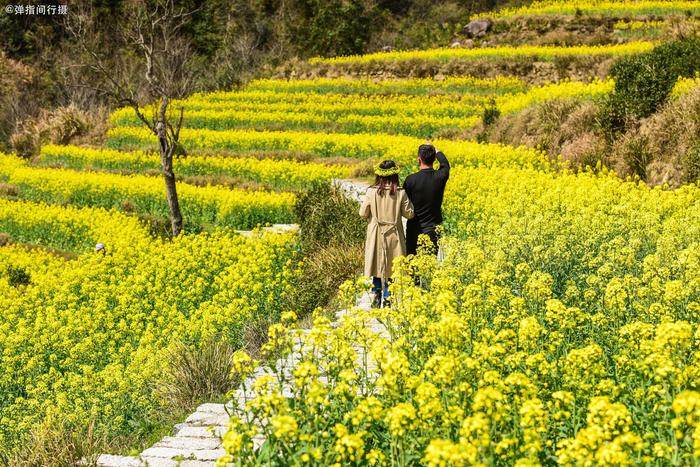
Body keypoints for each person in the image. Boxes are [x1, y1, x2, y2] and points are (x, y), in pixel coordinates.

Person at [360, 160, 415, 308]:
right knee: (392, 265)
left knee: (377, 263)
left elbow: (362, 213)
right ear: (395, 175)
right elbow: (409, 214)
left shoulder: (371, 191)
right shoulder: (400, 192)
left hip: (376, 232)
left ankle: (377, 292)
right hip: (394, 234)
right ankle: (388, 296)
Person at [403, 142, 450, 256]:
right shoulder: (440, 176)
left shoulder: (410, 180)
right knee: (429, 266)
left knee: (412, 266)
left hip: (414, 229)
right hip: (433, 229)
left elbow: (404, 203)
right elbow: (445, 164)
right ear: (434, 159)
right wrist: (437, 151)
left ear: (419, 159)